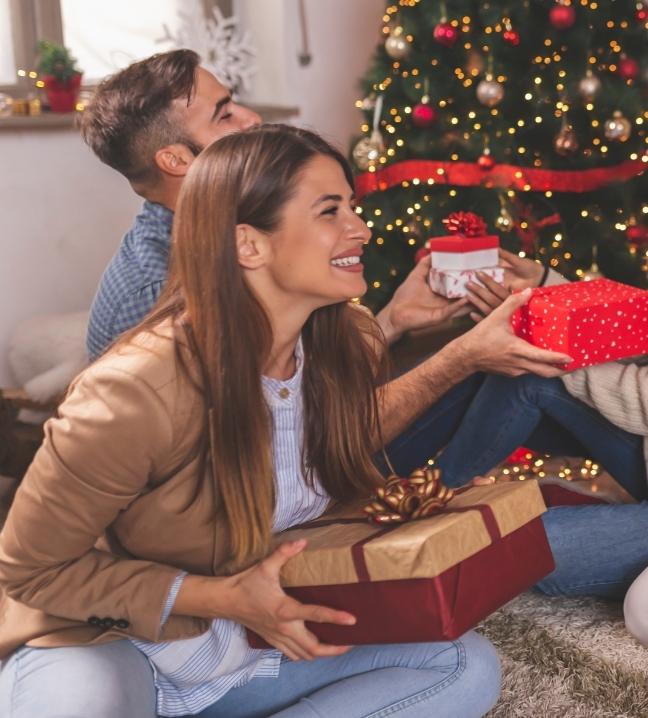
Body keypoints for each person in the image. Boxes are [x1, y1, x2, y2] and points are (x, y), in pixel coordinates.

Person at [0, 125, 503, 718]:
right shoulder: (132, 392)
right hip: (123, 647)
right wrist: (220, 597)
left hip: (249, 649)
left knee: (465, 665)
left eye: (353, 207)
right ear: (248, 245)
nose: (360, 228)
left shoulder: (344, 343)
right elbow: (29, 572)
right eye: (329, 210)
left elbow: (341, 447)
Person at [81, 49, 575, 487]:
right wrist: (458, 358)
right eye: (224, 115)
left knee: (515, 375)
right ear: (176, 160)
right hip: (276, 504)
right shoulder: (159, 294)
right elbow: (284, 455)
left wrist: (393, 320)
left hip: (308, 462)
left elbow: (300, 391)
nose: (252, 120)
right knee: (483, 371)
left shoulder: (235, 228)